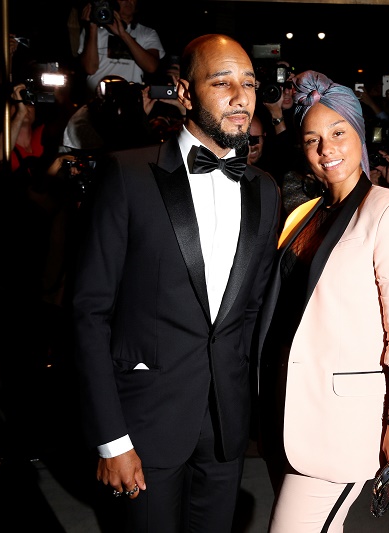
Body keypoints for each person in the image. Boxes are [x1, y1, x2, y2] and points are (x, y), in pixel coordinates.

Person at [72, 34, 281, 532]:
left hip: (227, 427)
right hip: (143, 424)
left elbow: (250, 311)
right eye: (222, 81)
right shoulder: (128, 175)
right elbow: (89, 312)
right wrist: (111, 439)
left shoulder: (265, 191)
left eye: (249, 82)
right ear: (185, 93)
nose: (240, 96)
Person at [256, 70, 389, 532]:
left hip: (343, 422)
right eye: (312, 139)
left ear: (359, 134)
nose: (326, 149)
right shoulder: (305, 213)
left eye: (338, 133)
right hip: (288, 409)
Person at [77, 0, 164, 99]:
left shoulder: (148, 33)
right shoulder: (92, 30)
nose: (127, 1)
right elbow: (90, 69)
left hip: (130, 99)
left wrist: (123, 34)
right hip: (96, 97)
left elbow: (151, 67)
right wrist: (92, 26)